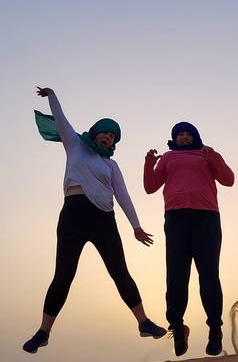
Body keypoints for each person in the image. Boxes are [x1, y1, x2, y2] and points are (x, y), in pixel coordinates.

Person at [22, 86, 167, 354]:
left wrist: (136, 227)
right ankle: (43, 331)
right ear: (95, 132)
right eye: (105, 132)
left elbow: (123, 196)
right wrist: (53, 96)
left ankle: (144, 322)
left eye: (113, 136)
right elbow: (62, 120)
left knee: (119, 272)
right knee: (63, 275)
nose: (108, 137)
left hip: (103, 219)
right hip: (73, 216)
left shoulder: (111, 165)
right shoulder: (74, 143)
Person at [143, 122, 234, 356]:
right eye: (179, 134)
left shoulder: (205, 155)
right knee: (175, 276)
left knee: (209, 275)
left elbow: (228, 179)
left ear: (195, 137)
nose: (184, 137)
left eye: (188, 134)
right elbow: (150, 187)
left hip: (206, 219)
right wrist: (148, 164)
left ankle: (215, 329)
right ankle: (177, 327)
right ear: (175, 138)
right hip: (176, 220)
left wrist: (213, 155)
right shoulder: (168, 158)